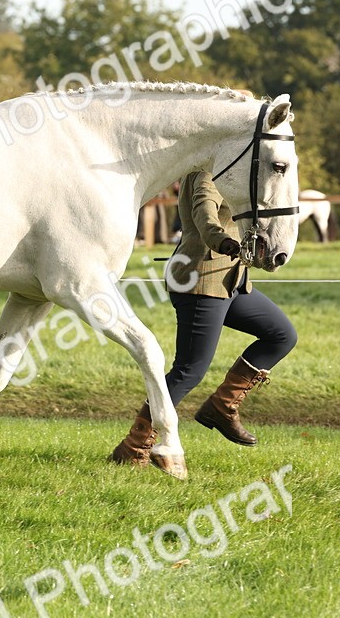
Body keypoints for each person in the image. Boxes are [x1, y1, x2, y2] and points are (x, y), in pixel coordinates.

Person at [111, 170, 298, 469]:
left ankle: (222, 406)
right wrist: (224, 243)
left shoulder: (229, 167)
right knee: (189, 371)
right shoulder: (205, 171)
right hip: (201, 281)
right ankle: (134, 445)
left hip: (232, 281)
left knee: (281, 334)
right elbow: (204, 214)